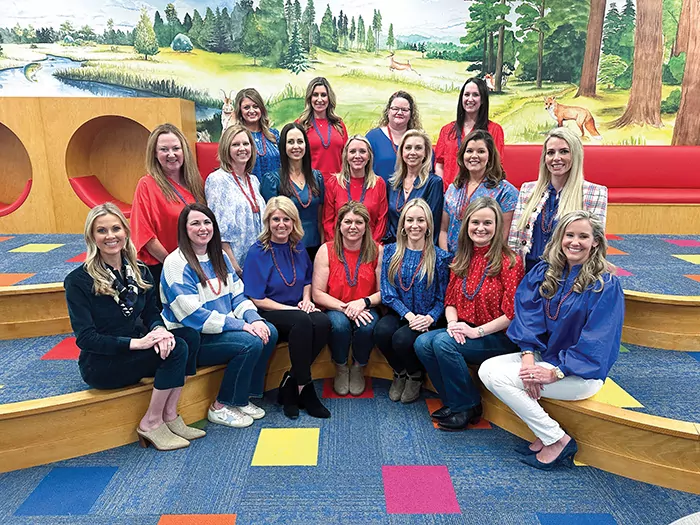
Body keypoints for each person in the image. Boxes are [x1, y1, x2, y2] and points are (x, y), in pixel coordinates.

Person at [479, 211, 624, 470]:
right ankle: (547, 434)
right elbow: (528, 317)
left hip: (579, 373)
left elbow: (598, 342)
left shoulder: (605, 285)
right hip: (546, 357)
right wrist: (528, 359)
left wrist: (554, 373)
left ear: (595, 242)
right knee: (486, 369)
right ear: (560, 238)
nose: (575, 242)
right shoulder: (546, 272)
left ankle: (557, 440)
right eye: (569, 235)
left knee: (501, 379)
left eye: (583, 236)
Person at [64, 203, 204, 451]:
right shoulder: (78, 280)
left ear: (126, 232)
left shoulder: (139, 271)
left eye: (116, 228)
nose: (110, 236)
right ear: (91, 237)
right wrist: (137, 343)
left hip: (136, 348)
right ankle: (151, 423)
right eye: (102, 230)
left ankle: (170, 415)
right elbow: (86, 338)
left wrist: (159, 330)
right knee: (178, 349)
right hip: (102, 363)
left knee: (189, 336)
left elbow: (151, 313)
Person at [161, 203, 278, 429]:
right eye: (195, 223)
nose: (203, 228)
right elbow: (193, 315)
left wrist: (254, 319)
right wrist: (241, 326)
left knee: (269, 331)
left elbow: (238, 295)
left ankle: (243, 397)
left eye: (207, 222)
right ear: (184, 228)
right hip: (193, 337)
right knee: (250, 342)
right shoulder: (176, 263)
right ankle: (221, 406)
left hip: (221, 329)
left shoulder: (220, 256)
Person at [415, 197, 523, 431]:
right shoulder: (462, 258)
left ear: (497, 226)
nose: (480, 228)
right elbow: (450, 301)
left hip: (497, 336)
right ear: (467, 226)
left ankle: (467, 405)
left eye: (487, 223)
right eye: (475, 222)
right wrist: (453, 324)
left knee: (443, 343)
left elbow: (511, 314)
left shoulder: (510, 261)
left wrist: (476, 332)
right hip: (466, 328)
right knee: (423, 343)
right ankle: (454, 401)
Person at [244, 196, 332, 420]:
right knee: (302, 321)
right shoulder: (257, 252)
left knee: (323, 322)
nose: (281, 224)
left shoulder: (298, 247)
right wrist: (292, 310)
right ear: (268, 222)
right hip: (269, 312)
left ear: (294, 222)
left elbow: (307, 280)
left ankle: (290, 384)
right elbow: (256, 298)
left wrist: (307, 300)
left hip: (296, 311)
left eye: (286, 219)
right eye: (276, 219)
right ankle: (305, 390)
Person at [374, 199, 452, 404]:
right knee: (381, 331)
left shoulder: (440, 257)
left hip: (427, 317)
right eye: (409, 220)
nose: (415, 225)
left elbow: (443, 297)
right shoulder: (390, 251)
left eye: (420, 220)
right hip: (402, 312)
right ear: (403, 224)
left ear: (428, 225)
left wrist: (429, 318)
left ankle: (415, 375)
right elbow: (388, 293)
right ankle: (399, 372)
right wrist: (408, 316)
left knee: (401, 339)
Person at [508, 127, 609, 272]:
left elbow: (596, 246)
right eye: (550, 152)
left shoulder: (595, 193)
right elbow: (514, 240)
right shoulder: (527, 190)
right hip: (528, 274)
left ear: (575, 155)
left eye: (564, 151)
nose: (556, 158)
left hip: (566, 275)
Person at [312, 202, 382, 396]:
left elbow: (383, 293)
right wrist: (346, 308)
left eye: (359, 222)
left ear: (366, 226)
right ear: (339, 225)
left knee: (367, 325)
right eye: (348, 222)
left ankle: (359, 366)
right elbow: (317, 293)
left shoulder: (377, 250)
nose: (353, 227)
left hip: (366, 306)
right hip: (335, 306)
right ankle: (341, 366)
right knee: (339, 325)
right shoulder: (325, 250)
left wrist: (362, 303)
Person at [131, 123, 205, 301]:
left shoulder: (196, 183)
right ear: (155, 154)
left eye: (176, 148)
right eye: (164, 149)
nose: (171, 154)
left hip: (196, 266)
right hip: (164, 268)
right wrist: (175, 265)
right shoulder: (147, 185)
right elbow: (146, 236)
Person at [439, 129, 518, 255]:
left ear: (490, 156)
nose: (474, 156)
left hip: (486, 261)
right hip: (452, 260)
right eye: (469, 151)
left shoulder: (506, 191)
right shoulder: (453, 188)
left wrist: (481, 262)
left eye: (481, 151)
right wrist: (445, 258)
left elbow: (503, 237)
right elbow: (443, 230)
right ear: (462, 155)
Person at [205, 124, 267, 276]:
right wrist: (234, 266)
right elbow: (218, 228)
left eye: (246, 143)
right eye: (235, 144)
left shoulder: (254, 180)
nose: (242, 148)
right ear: (226, 148)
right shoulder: (217, 180)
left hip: (258, 261)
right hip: (234, 265)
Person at [261, 123, 325, 261]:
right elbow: (269, 223)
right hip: (286, 250)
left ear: (306, 145)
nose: (296, 146)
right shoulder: (272, 180)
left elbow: (320, 219)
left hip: (315, 249)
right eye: (290, 142)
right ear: (283, 147)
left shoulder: (317, 177)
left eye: (300, 141)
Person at [435, 77, 505, 191]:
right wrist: (444, 192)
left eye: (475, 95)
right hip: (450, 194)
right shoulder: (447, 130)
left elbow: (496, 166)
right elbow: (439, 165)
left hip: (481, 196)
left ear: (483, 99)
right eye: (466, 94)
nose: (470, 99)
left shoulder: (494, 130)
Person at [323, 135, 388, 243]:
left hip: (370, 246)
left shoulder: (378, 184)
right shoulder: (334, 183)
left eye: (362, 151)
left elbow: (382, 221)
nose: (357, 156)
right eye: (352, 151)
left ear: (369, 156)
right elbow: (328, 221)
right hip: (339, 246)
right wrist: (337, 245)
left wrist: (371, 246)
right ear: (346, 156)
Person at [384, 129, 443, 244]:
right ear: (401, 152)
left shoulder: (434, 183)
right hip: (394, 248)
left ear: (426, 153)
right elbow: (388, 222)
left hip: (421, 248)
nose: (412, 152)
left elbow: (433, 224)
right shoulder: (392, 184)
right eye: (408, 148)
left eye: (418, 148)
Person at [297, 77, 348, 180]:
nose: (319, 99)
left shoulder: (339, 125)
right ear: (309, 98)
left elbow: (346, 156)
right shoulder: (300, 125)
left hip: (337, 184)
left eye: (323, 95)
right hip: (311, 184)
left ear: (329, 98)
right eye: (315, 95)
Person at [366, 91, 423, 182]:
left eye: (404, 110)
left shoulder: (419, 139)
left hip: (412, 190)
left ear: (411, 114)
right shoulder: (373, 137)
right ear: (388, 111)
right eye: (395, 108)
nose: (399, 112)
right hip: (380, 190)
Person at [234, 88, 281, 182]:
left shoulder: (274, 134)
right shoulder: (235, 137)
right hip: (248, 189)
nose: (252, 111)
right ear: (240, 111)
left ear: (261, 109)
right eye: (246, 107)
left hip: (277, 188)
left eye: (256, 106)